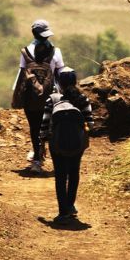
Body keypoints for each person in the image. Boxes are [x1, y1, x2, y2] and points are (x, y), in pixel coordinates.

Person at [40, 67, 93, 223]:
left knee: (61, 176)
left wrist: (42, 143)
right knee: (74, 173)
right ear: (75, 82)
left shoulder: (52, 99)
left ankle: (63, 212)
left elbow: (44, 124)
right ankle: (70, 206)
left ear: (59, 83)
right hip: (77, 144)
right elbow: (90, 122)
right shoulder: (83, 99)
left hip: (57, 144)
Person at [12, 19, 64, 173]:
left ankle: (37, 161)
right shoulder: (56, 51)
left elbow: (22, 74)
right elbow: (59, 73)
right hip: (51, 96)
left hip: (31, 96)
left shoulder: (25, 51)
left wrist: (16, 95)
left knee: (34, 127)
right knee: (52, 127)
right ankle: (56, 159)